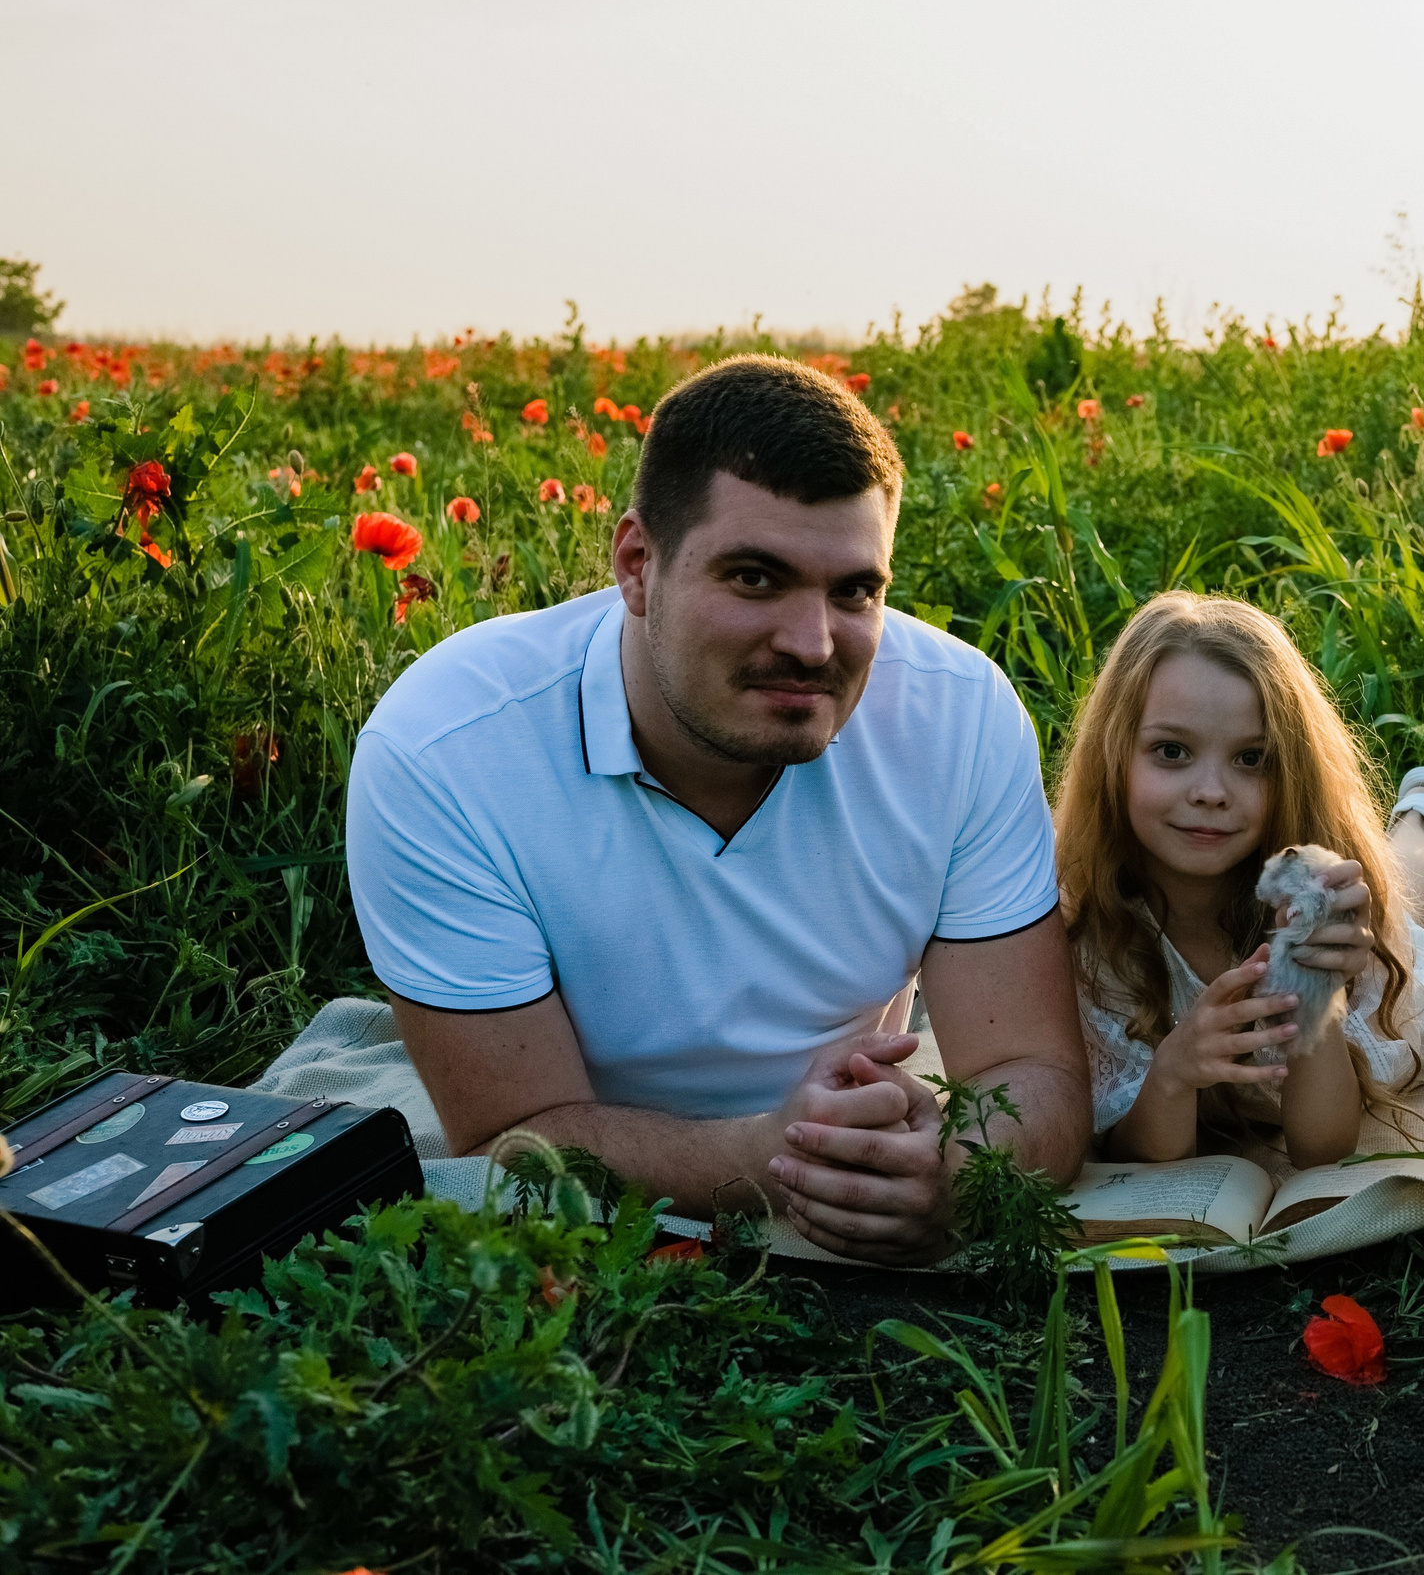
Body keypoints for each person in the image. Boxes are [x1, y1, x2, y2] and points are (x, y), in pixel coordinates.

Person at [345, 354, 1087, 1265]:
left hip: (850, 1122)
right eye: (755, 577)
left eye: (855, 589)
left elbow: (1037, 1075)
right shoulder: (447, 749)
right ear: (636, 564)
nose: (813, 643)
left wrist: (951, 1171)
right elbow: (514, 1137)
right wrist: (783, 1155)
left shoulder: (958, 717)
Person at [1053, 593, 1424, 1169]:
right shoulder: (1083, 924)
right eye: (1171, 751)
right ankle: (1423, 811)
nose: (1211, 791)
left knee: (1402, 896)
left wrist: (1314, 990)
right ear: (1114, 756)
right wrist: (1174, 1073)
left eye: (1251, 759)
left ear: (1291, 771)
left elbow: (1322, 1146)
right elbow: (1139, 1153)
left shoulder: (1314, 899)